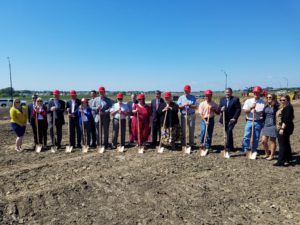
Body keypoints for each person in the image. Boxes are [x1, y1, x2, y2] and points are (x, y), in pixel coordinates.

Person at [242, 86, 265, 154]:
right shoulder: (248, 101)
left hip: (258, 121)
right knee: (246, 136)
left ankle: (254, 149)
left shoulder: (262, 102)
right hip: (249, 120)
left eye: (258, 93)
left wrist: (256, 112)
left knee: (256, 137)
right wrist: (251, 107)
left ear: (260, 93)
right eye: (255, 92)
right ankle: (245, 149)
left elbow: (262, 113)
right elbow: (245, 111)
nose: (256, 94)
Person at [274, 95, 294, 166]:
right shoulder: (284, 107)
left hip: (285, 128)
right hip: (286, 127)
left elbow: (286, 119)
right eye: (281, 100)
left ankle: (280, 161)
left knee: (282, 144)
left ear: (288, 100)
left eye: (284, 100)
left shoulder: (288, 108)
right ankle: (288, 158)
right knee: (286, 143)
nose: (282, 101)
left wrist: (282, 129)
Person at [218, 88, 241, 152]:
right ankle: (231, 148)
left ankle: (227, 147)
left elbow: (238, 109)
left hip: (232, 119)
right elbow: (218, 109)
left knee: (229, 131)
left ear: (231, 93)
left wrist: (235, 118)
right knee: (228, 133)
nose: (227, 93)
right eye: (226, 92)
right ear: (224, 93)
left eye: (229, 92)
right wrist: (221, 109)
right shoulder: (222, 99)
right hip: (224, 119)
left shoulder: (235, 99)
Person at [261, 94, 279, 160]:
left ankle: (271, 155)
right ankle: (266, 153)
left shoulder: (277, 106)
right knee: (263, 141)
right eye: (267, 97)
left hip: (273, 125)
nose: (268, 98)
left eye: (270, 97)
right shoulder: (266, 106)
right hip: (266, 125)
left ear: (274, 98)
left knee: (272, 141)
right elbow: (263, 115)